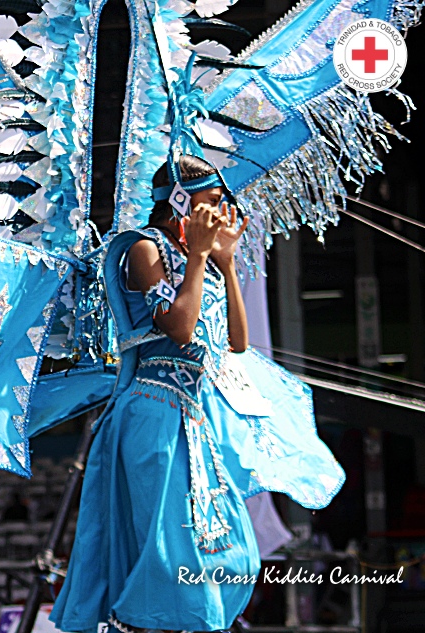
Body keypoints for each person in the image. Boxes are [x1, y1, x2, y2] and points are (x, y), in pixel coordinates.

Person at [49, 155, 343, 633]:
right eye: (210, 204)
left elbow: (237, 343)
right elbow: (181, 329)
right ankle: (139, 624)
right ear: (179, 202)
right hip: (151, 410)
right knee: (169, 544)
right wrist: (202, 256)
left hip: (191, 417)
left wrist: (224, 264)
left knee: (230, 548)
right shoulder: (145, 250)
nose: (219, 214)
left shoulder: (196, 264)